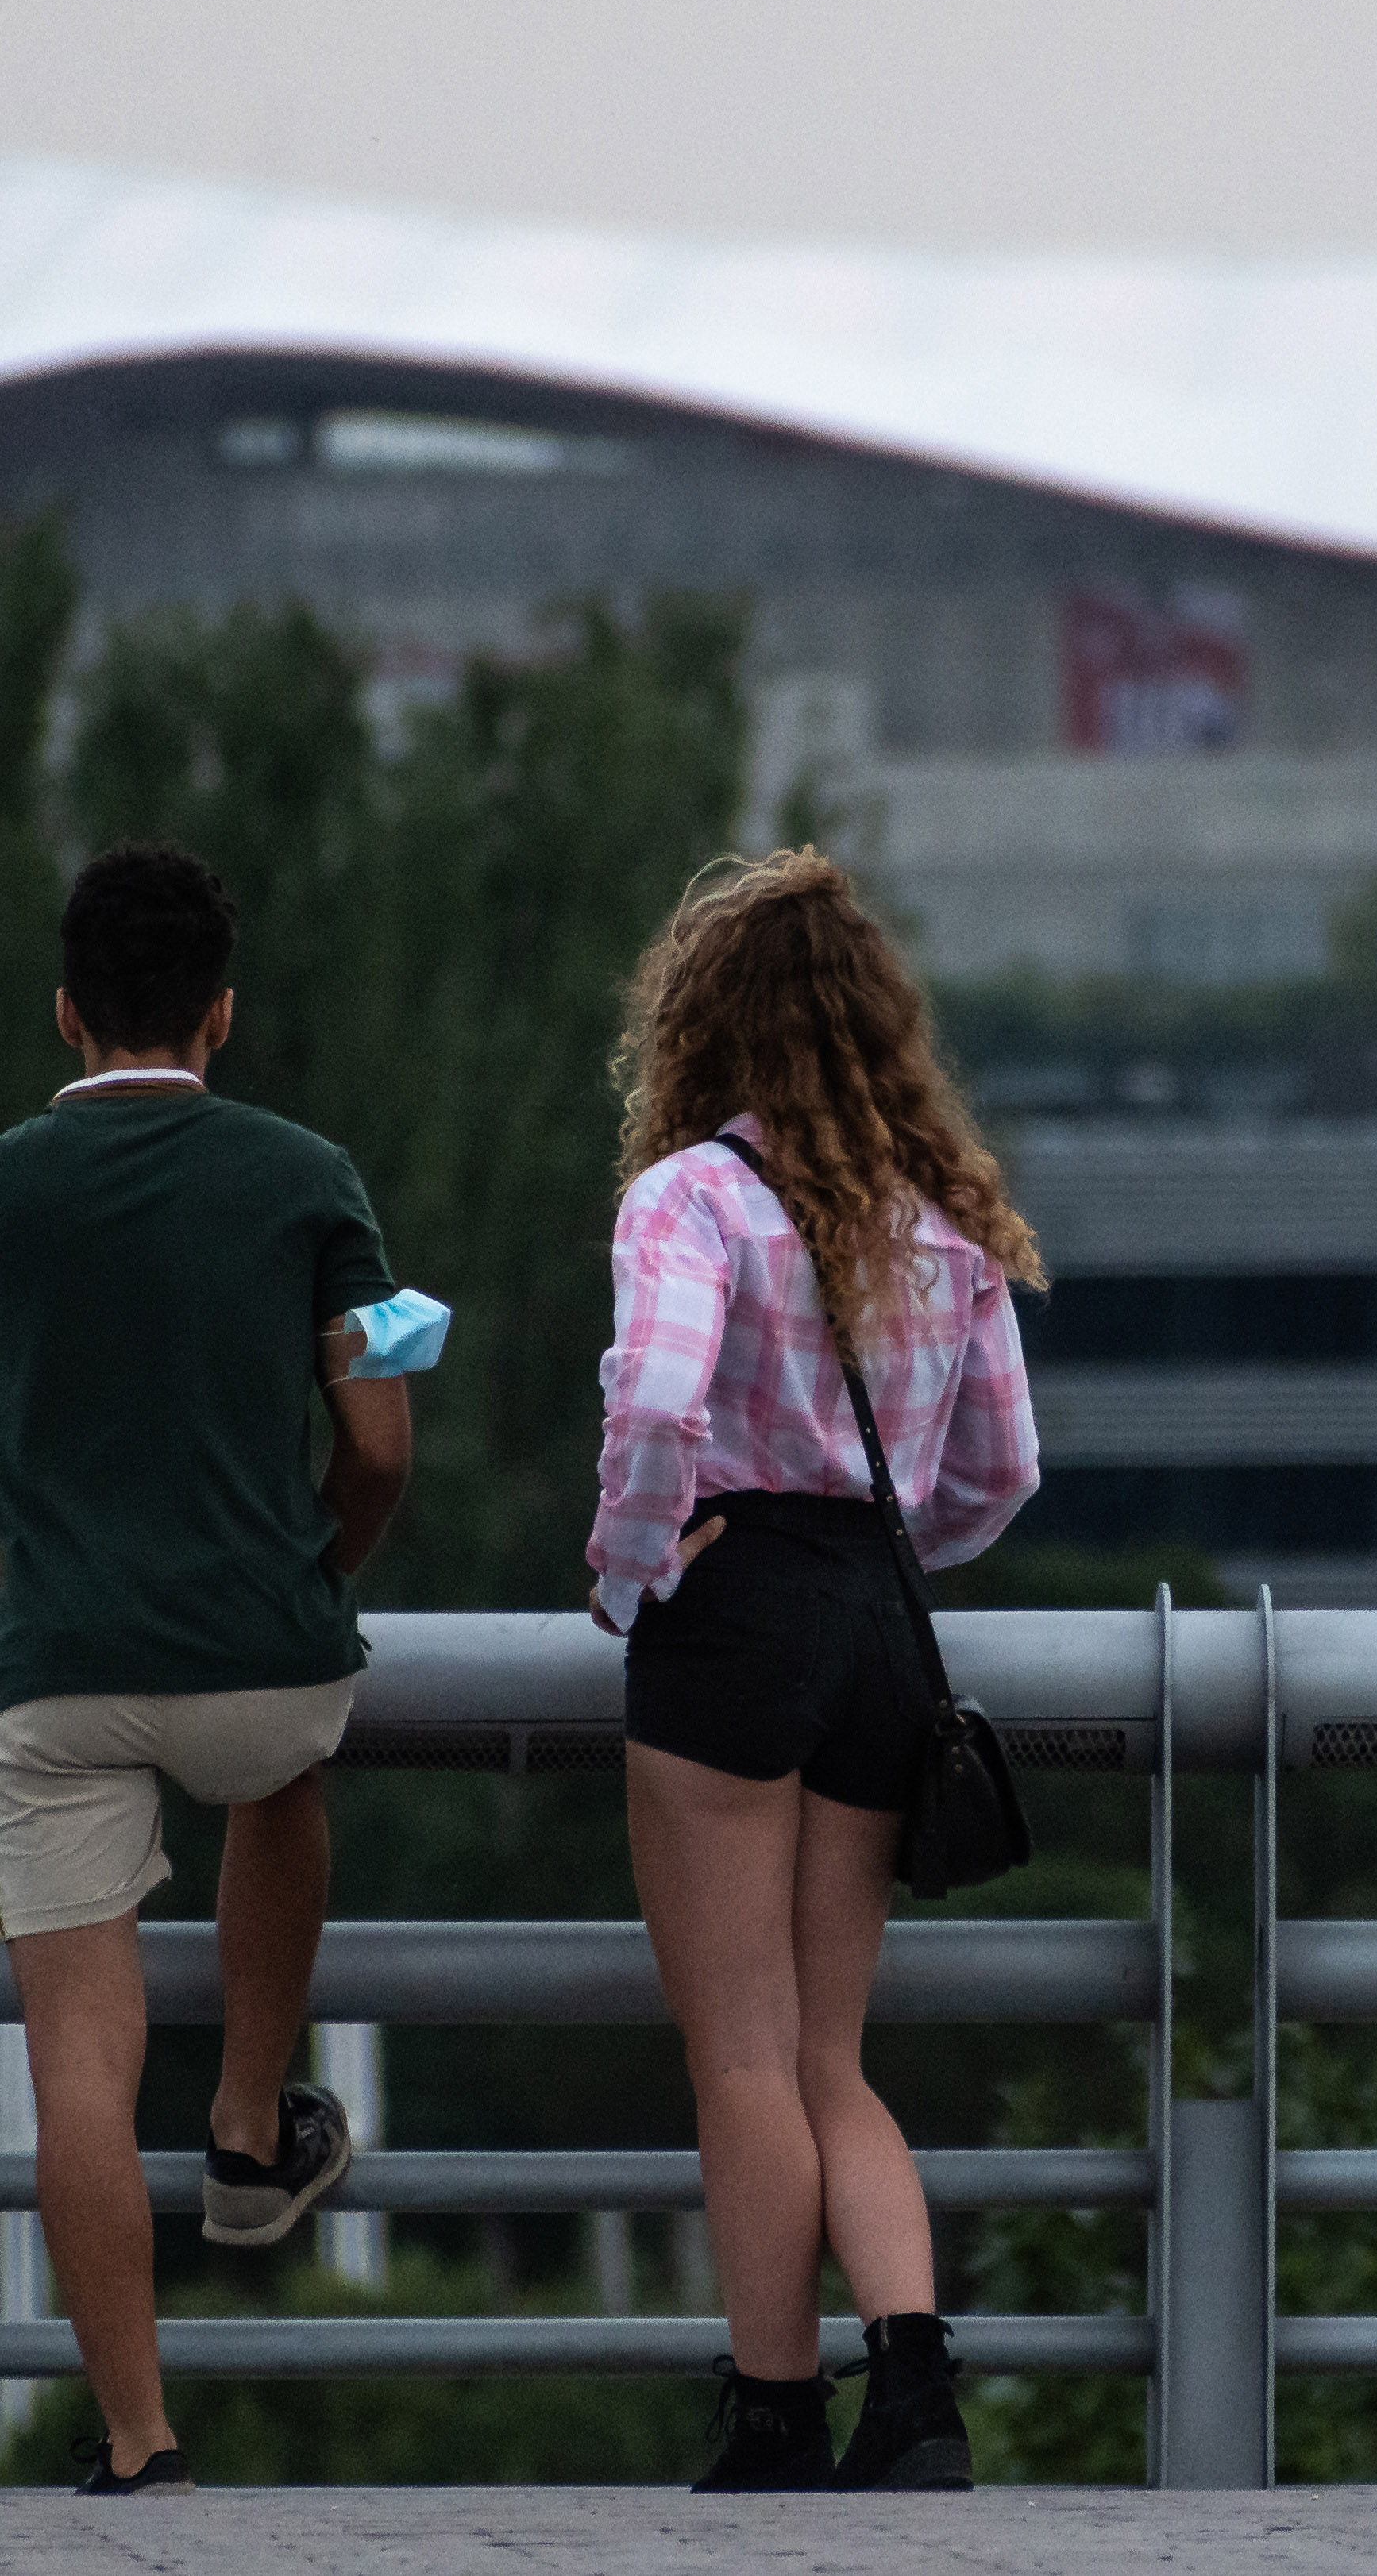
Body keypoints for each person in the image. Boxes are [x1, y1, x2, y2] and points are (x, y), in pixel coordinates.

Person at [0, 840, 422, 2497]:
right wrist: (312, 1564)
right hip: (259, 1646)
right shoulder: (312, 1176)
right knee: (282, 1770)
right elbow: (383, 1446)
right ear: (221, 1017)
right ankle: (252, 2123)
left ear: (63, 1012)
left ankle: (137, 2439)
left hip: (47, 1668)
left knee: (77, 2071)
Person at [587, 849, 1046, 2494]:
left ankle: (775, 2409)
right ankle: (913, 2392)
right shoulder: (937, 1219)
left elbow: (652, 1406)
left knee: (740, 2052)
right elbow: (1001, 1474)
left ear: (703, 1021)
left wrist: (633, 1565)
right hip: (876, 1613)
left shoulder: (692, 1199)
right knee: (832, 2053)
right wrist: (879, 1548)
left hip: (734, 1604)